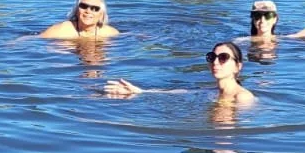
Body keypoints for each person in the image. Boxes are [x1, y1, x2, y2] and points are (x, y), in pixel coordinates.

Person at [105, 41, 256, 107]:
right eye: (212, 57)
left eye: (223, 58)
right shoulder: (212, 92)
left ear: (238, 66)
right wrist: (140, 91)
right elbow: (178, 92)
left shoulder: (243, 97)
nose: (215, 62)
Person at [39, 0, 120, 41]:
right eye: (84, 6)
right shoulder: (62, 30)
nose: (88, 11)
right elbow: (35, 40)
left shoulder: (109, 33)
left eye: (95, 8)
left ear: (101, 14)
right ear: (77, 10)